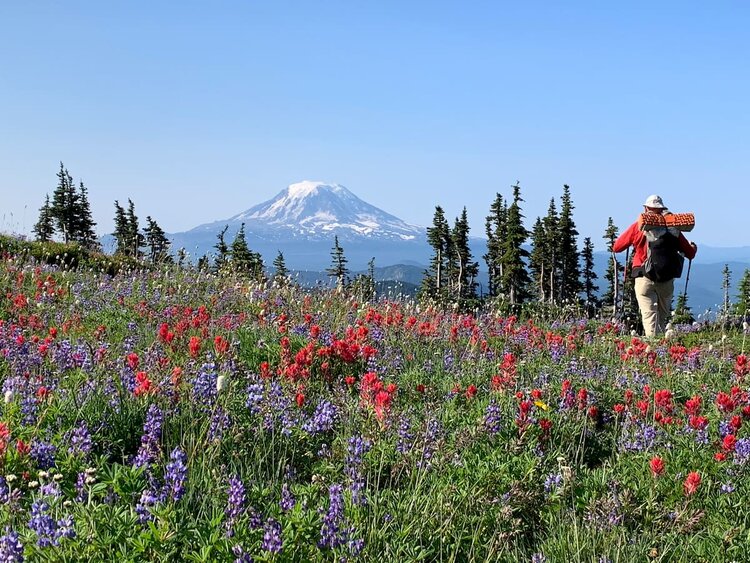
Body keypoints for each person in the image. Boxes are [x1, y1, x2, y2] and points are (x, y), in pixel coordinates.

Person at [613, 194, 697, 337]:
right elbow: (690, 253)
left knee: (649, 316)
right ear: (662, 209)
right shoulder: (673, 228)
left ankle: (654, 348)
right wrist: (693, 248)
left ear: (646, 209)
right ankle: (663, 345)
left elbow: (617, 247)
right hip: (666, 279)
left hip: (643, 277)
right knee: (662, 318)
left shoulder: (638, 227)